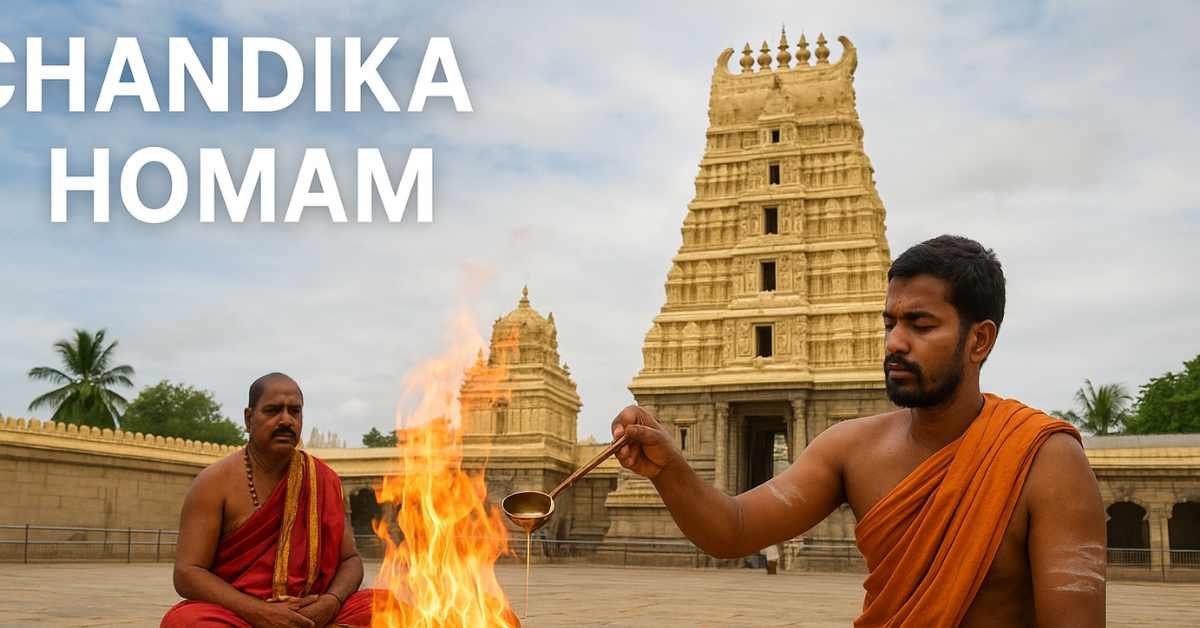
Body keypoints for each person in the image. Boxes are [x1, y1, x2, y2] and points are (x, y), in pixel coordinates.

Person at [612, 235, 1106, 627]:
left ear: (979, 340)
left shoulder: (1044, 461)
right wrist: (669, 468)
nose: (895, 343)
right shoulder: (851, 448)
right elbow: (734, 529)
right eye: (889, 323)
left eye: (920, 325)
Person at [162, 373, 381, 628]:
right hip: (241, 615)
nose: (286, 420)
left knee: (385, 606)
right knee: (185, 622)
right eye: (273, 410)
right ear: (249, 419)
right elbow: (188, 572)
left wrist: (331, 602)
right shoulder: (213, 482)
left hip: (314, 613)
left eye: (294, 411)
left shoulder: (323, 479)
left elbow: (350, 560)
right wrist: (260, 612)